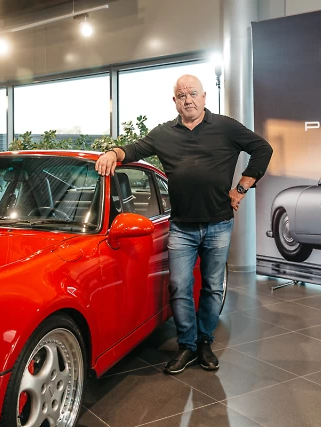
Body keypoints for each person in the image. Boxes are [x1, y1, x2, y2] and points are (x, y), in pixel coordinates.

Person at [95, 74, 273, 374]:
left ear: (204, 97)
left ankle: (204, 341)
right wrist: (112, 153)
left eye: (192, 94)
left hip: (219, 224)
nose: (187, 99)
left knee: (213, 287)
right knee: (179, 286)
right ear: (174, 101)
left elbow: (263, 149)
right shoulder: (164, 133)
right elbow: (134, 150)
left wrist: (242, 187)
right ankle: (187, 345)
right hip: (181, 227)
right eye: (181, 95)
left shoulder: (226, 127)